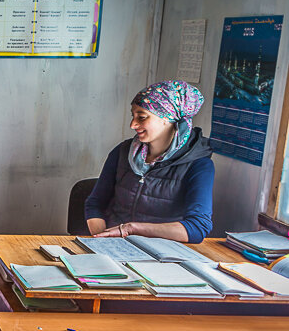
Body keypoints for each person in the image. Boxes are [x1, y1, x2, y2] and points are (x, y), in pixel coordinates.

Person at [85, 80, 213, 243]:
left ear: (167, 118)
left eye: (142, 117)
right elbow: (94, 204)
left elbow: (197, 228)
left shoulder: (199, 165)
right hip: (113, 246)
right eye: (133, 116)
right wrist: (104, 239)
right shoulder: (123, 152)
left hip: (161, 254)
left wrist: (130, 229)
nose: (133, 124)